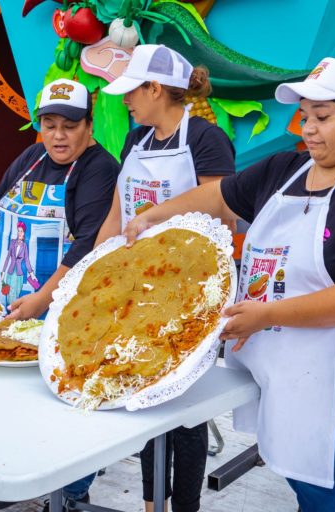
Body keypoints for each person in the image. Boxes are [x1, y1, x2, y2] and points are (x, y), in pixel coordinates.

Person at [123, 57, 335, 511]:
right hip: (285, 378)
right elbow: (220, 195)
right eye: (305, 115)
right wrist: (153, 215)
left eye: (324, 117)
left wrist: (266, 315)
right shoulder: (285, 170)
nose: (309, 128)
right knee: (307, 490)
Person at [0, 78, 118, 511]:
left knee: (64, 401)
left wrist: (44, 297)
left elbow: (88, 244)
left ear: (88, 125)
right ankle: (15, 479)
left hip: (66, 308)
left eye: (69, 126)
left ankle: (72, 491)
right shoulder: (30, 157)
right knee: (12, 400)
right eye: (50, 124)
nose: (58, 136)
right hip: (14, 303)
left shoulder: (98, 168)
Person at [95, 44, 236, 512]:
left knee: (185, 406)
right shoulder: (136, 141)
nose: (125, 101)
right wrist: (96, 264)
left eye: (132, 91)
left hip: (192, 289)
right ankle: (153, 499)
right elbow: (118, 209)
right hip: (140, 287)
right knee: (146, 394)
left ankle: (185, 506)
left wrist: (156, 215)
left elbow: (222, 201)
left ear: (156, 88)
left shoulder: (206, 138)